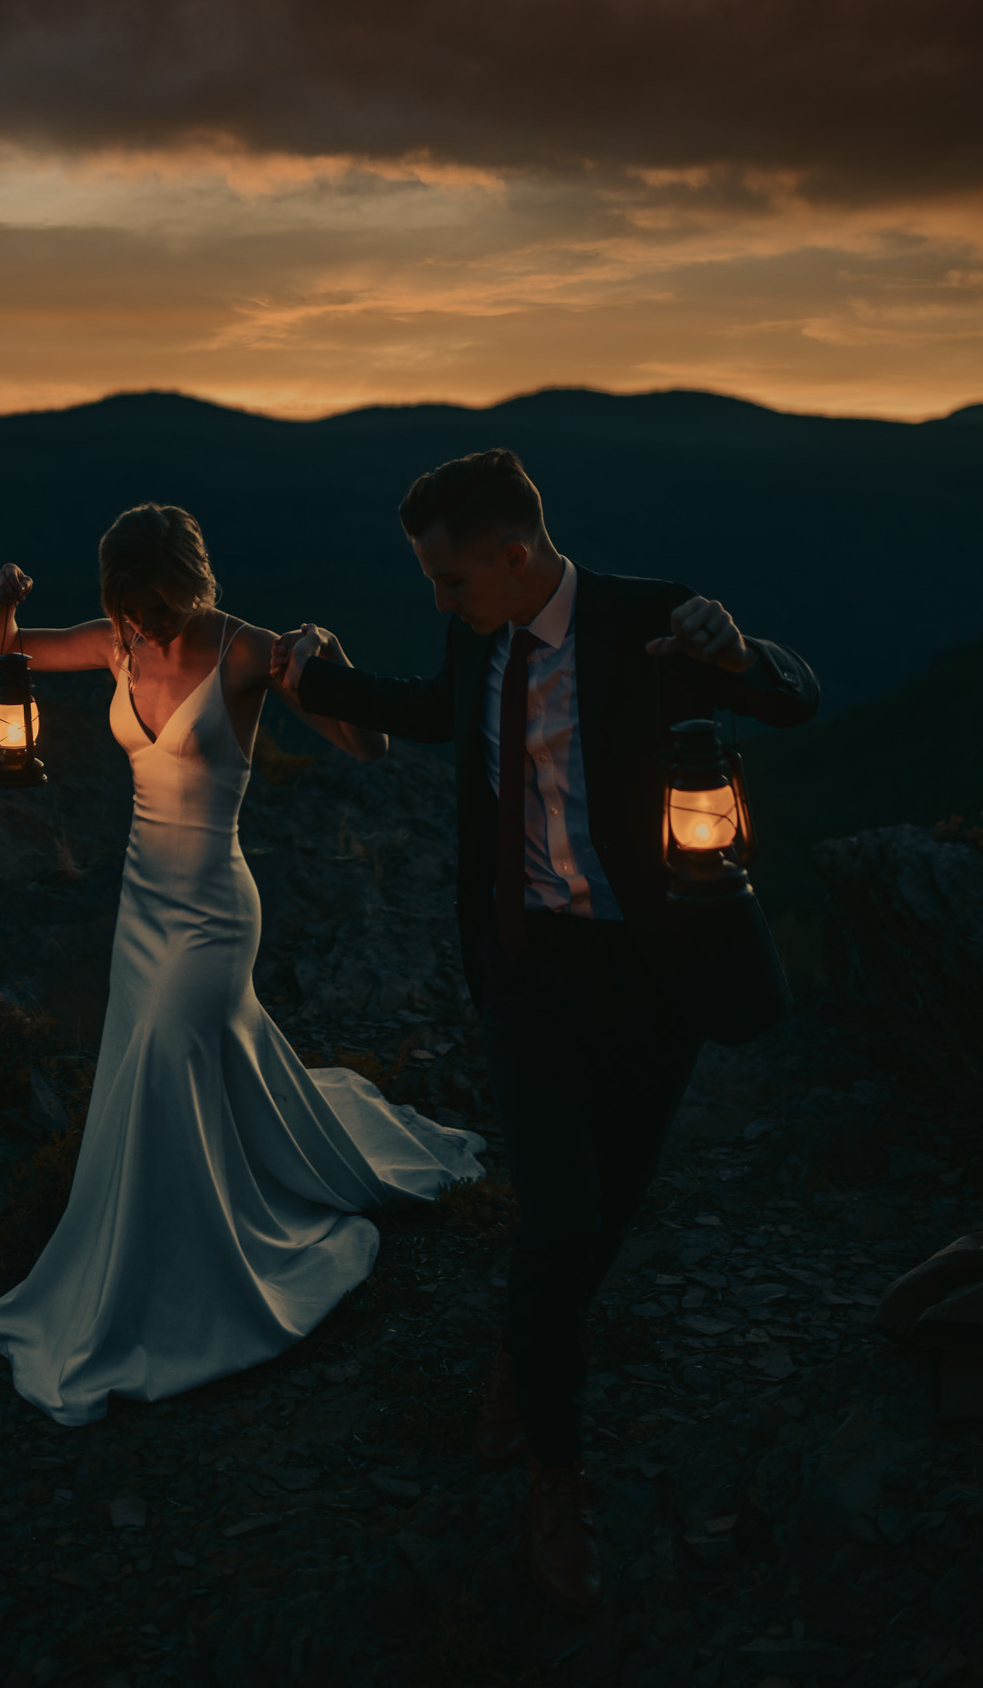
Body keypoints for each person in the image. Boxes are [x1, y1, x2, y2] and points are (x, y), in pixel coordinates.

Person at [273, 448, 819, 1613]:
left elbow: (793, 696)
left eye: (449, 580)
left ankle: (531, 1350)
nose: (441, 602)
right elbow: (430, 712)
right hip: (527, 971)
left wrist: (739, 653)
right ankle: (556, 1476)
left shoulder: (652, 622)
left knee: (605, 1215)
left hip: (652, 973)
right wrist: (324, 679)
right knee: (556, 1216)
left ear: (513, 557)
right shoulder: (486, 631)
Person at [0, 501, 486, 1426]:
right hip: (141, 904)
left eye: (158, 611)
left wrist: (328, 669)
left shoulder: (247, 652)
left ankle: (195, 1279)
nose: (145, 631)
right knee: (146, 1070)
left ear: (192, 590)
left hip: (211, 907)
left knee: (167, 1054)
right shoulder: (115, 642)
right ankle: (150, 1246)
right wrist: (3, 602)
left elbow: (370, 746)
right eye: (130, 613)